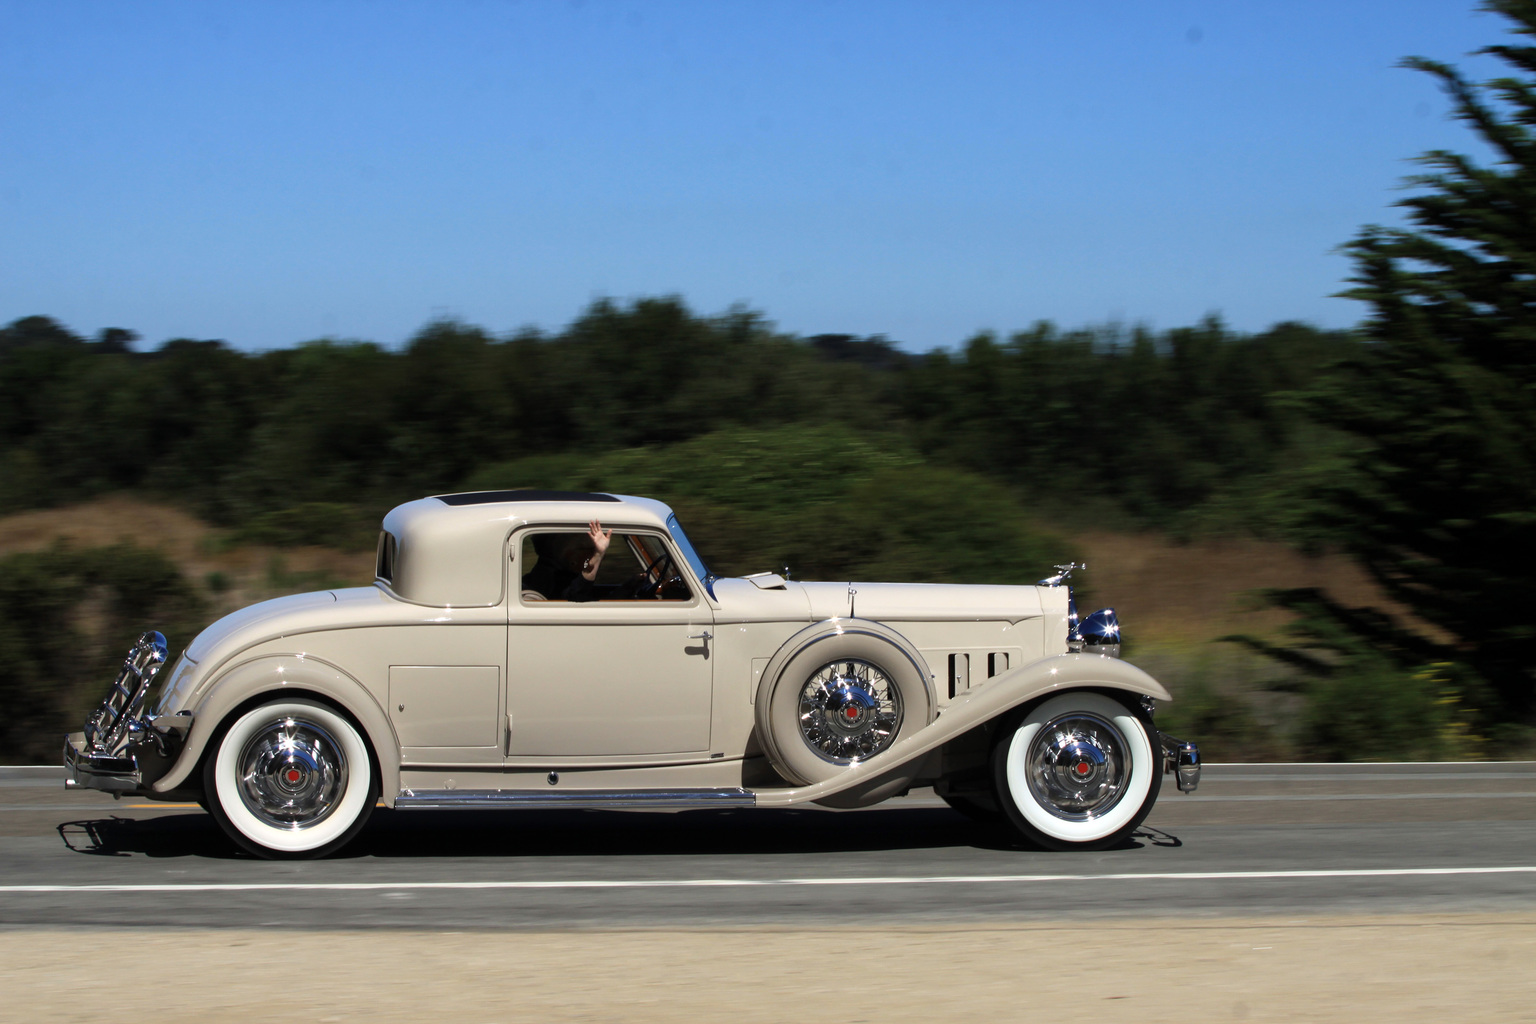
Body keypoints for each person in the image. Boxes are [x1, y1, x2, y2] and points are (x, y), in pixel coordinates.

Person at [521, 520, 612, 601]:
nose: (603, 558)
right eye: (589, 549)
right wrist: (596, 558)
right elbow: (573, 596)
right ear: (571, 556)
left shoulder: (544, 573)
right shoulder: (550, 579)